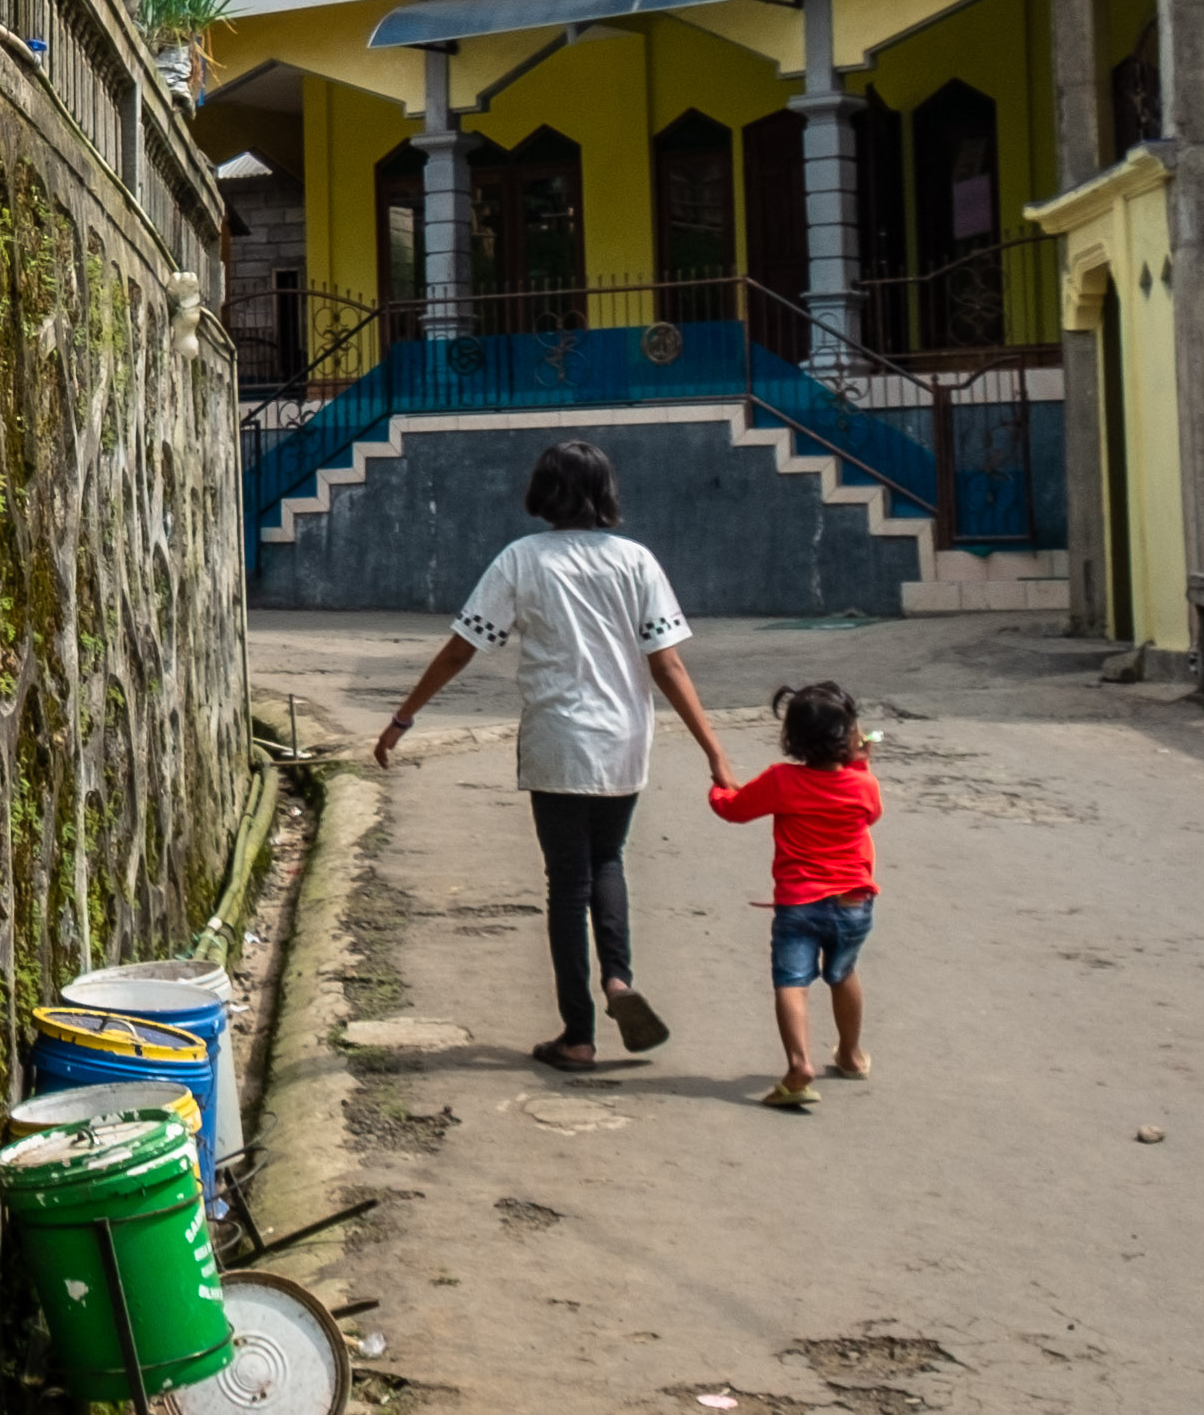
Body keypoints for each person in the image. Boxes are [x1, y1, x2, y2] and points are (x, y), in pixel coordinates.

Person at [372, 441, 732, 1069]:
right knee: (608, 861)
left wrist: (404, 716)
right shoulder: (636, 561)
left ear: (543, 490)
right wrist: (714, 750)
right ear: (605, 492)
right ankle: (618, 978)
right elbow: (667, 662)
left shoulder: (521, 559)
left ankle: (579, 1035)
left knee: (567, 885)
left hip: (559, 739)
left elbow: (464, 647)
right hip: (624, 739)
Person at [707, 679, 882, 1111]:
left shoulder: (781, 780)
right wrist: (861, 767)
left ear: (792, 739)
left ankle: (799, 1064)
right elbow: (871, 816)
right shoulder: (864, 786)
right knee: (843, 974)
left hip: (798, 904)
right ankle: (850, 1054)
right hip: (853, 903)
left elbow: (733, 809)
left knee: (792, 983)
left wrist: (719, 784)